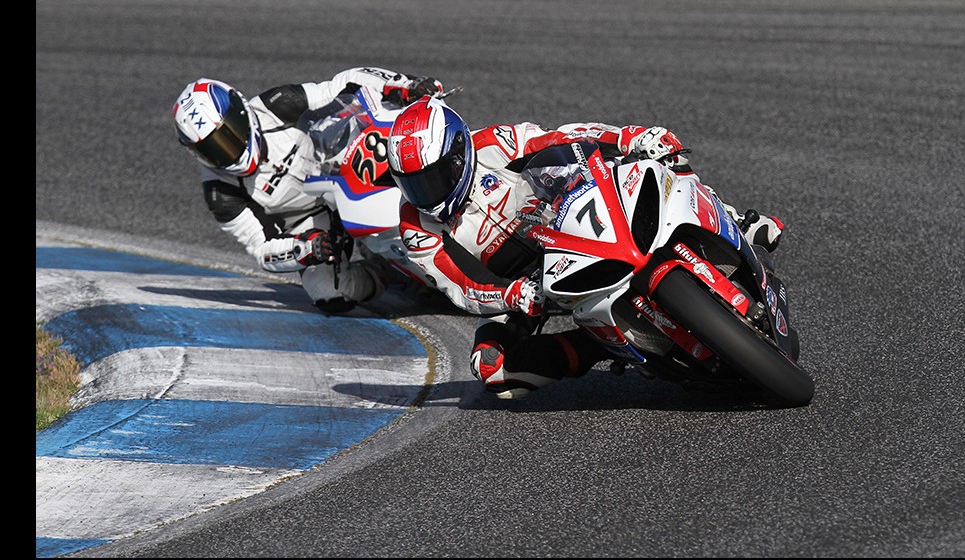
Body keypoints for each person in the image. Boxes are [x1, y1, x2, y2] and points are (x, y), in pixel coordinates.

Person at [384, 96, 785, 398]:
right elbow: (459, 286)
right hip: (527, 283)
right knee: (494, 371)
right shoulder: (415, 227)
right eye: (414, 183)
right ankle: (599, 343)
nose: (427, 192)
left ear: (458, 152)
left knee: (660, 162)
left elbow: (565, 136)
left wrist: (629, 137)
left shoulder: (492, 143)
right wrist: (512, 295)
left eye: (435, 176)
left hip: (567, 212)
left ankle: (734, 222)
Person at [172, 67, 443, 314]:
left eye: (227, 134)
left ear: (241, 110)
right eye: (212, 150)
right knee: (331, 295)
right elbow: (261, 250)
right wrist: (305, 248)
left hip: (339, 166)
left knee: (410, 149)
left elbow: (341, 85)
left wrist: (404, 86)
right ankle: (391, 272)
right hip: (312, 224)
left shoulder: (275, 105)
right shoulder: (220, 192)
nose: (228, 152)